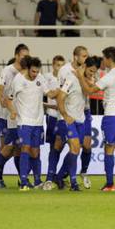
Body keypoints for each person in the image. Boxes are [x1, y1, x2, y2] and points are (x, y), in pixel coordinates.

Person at [75, 47, 115, 192]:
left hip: (113, 116)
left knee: (109, 148)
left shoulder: (110, 76)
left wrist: (80, 77)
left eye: (104, 58)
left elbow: (89, 91)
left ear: (109, 58)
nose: (103, 60)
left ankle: (110, 184)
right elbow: (110, 86)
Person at [6, 57, 58, 191]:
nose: (35, 74)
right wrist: (12, 111)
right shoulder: (18, 80)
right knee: (25, 148)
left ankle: (37, 181)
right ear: (28, 69)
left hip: (38, 121)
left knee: (36, 152)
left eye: (37, 71)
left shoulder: (40, 78)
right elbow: (8, 100)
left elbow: (50, 94)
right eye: (33, 71)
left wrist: (63, 90)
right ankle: (23, 181)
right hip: (24, 121)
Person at [0, 44, 29, 189]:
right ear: (16, 56)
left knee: (17, 149)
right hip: (5, 116)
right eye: (23, 55)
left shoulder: (26, 72)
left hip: (19, 117)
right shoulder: (8, 71)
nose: (26, 58)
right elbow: (0, 88)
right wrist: (1, 99)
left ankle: (18, 179)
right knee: (6, 147)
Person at [45, 46, 89, 192]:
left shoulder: (85, 71)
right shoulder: (65, 71)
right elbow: (60, 93)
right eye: (83, 56)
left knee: (75, 148)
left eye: (86, 56)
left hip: (80, 117)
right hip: (64, 116)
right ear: (75, 56)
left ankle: (60, 176)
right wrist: (64, 114)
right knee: (59, 145)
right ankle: (51, 178)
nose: (84, 59)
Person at [79, 56, 102, 189]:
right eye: (91, 70)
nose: (92, 73)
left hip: (85, 112)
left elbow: (92, 88)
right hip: (72, 113)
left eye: (94, 71)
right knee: (69, 146)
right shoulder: (75, 74)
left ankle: (83, 172)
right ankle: (60, 176)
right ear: (85, 66)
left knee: (87, 146)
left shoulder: (91, 78)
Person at [42, 55, 66, 186]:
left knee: (62, 146)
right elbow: (45, 95)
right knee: (53, 148)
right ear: (53, 65)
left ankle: (56, 175)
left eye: (62, 65)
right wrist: (46, 105)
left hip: (63, 116)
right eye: (58, 65)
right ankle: (51, 176)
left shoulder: (66, 78)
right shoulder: (47, 77)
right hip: (52, 116)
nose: (60, 68)